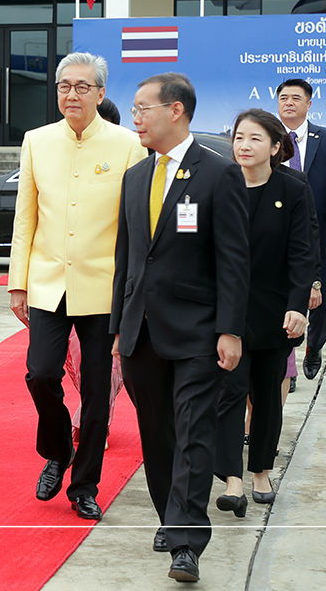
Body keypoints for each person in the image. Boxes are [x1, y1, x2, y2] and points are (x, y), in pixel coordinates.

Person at [110, 72, 249, 583]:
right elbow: (126, 258)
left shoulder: (218, 174)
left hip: (199, 329)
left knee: (192, 432)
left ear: (176, 111)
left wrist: (230, 329)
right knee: (157, 434)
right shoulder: (135, 176)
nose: (136, 117)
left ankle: (186, 541)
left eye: (144, 107)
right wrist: (118, 327)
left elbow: (234, 260)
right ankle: (171, 516)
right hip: (141, 329)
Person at [9, 52, 146, 522]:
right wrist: (18, 282)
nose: (72, 94)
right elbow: (26, 216)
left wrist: (132, 292)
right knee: (40, 373)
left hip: (104, 288)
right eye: (65, 85)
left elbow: (135, 226)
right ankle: (57, 449)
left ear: (101, 93)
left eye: (82, 87)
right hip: (48, 281)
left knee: (97, 392)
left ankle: (84, 484)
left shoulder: (128, 146)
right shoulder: (36, 141)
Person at [212, 109, 316, 518]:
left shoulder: (292, 187)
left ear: (275, 147)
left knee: (267, 395)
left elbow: (304, 252)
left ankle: (261, 470)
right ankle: (232, 478)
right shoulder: (221, 183)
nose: (244, 146)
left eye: (255, 139)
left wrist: (298, 304)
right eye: (239, 137)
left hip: (275, 309)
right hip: (228, 310)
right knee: (229, 390)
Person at [62, 93, 129, 450]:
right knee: (71, 357)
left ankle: (94, 419)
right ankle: (92, 412)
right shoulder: (60, 159)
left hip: (110, 282)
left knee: (107, 363)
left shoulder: (129, 163)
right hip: (65, 282)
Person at [276, 79, 326, 379]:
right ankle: (286, 366)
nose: (289, 103)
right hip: (277, 233)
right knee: (280, 296)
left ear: (309, 104)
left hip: (319, 233)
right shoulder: (268, 138)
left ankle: (314, 345)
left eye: (296, 98)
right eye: (283, 98)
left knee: (321, 300)